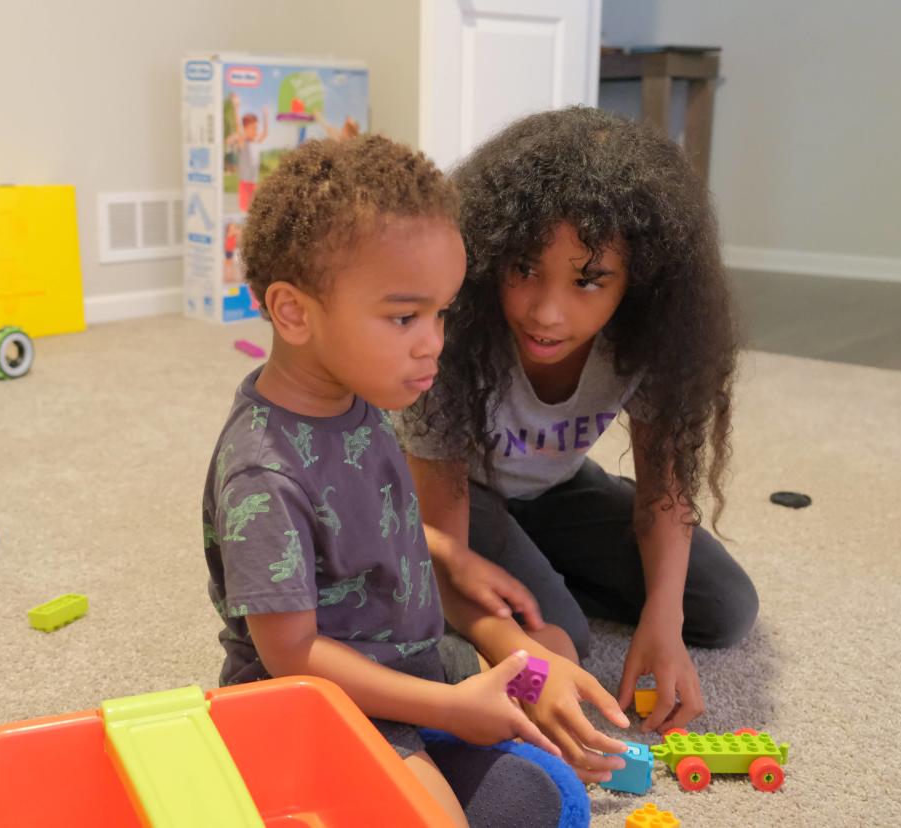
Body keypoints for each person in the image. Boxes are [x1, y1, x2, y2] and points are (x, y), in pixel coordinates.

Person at [202, 134, 629, 824]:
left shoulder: (357, 397)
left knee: (547, 797)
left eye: (442, 313)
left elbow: (355, 519)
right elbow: (292, 656)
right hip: (314, 706)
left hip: (407, 670)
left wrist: (447, 551)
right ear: (293, 312)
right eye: (404, 316)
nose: (433, 341)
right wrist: (453, 709)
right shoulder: (262, 471)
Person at [401, 107, 759, 735]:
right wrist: (528, 652)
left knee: (723, 609)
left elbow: (664, 493)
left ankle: (540, 566)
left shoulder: (647, 339)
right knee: (560, 635)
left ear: (639, 281)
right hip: (457, 498)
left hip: (556, 488)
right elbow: (449, 549)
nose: (547, 312)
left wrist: (663, 619)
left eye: (589, 280)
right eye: (524, 269)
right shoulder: (451, 335)